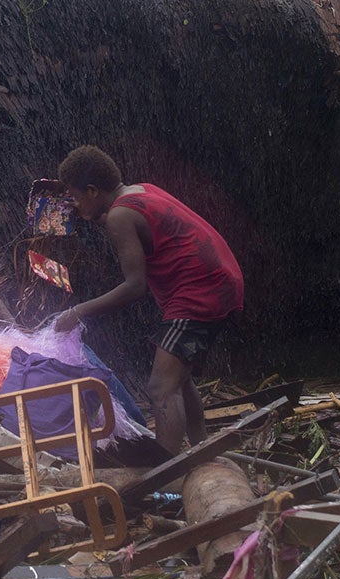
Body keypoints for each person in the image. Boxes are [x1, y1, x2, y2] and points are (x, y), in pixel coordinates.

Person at [52, 145, 243, 452]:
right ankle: (201, 452)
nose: (73, 204)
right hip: (221, 278)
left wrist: (77, 312)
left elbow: (134, 286)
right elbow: (138, 225)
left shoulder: (119, 217)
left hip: (200, 290)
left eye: (75, 196)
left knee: (159, 388)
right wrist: (94, 213)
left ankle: (162, 473)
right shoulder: (139, 192)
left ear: (92, 190)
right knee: (179, 379)